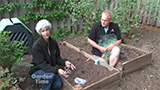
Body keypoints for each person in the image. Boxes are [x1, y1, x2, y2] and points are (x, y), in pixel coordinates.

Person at [29, 19, 76, 90]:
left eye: (47, 30)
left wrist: (65, 62)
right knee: (50, 76)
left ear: (49, 29)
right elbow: (42, 64)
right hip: (36, 72)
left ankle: (46, 84)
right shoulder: (37, 46)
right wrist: (57, 70)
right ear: (40, 33)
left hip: (48, 71)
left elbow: (57, 58)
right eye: (43, 31)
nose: (46, 33)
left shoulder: (53, 43)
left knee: (58, 85)